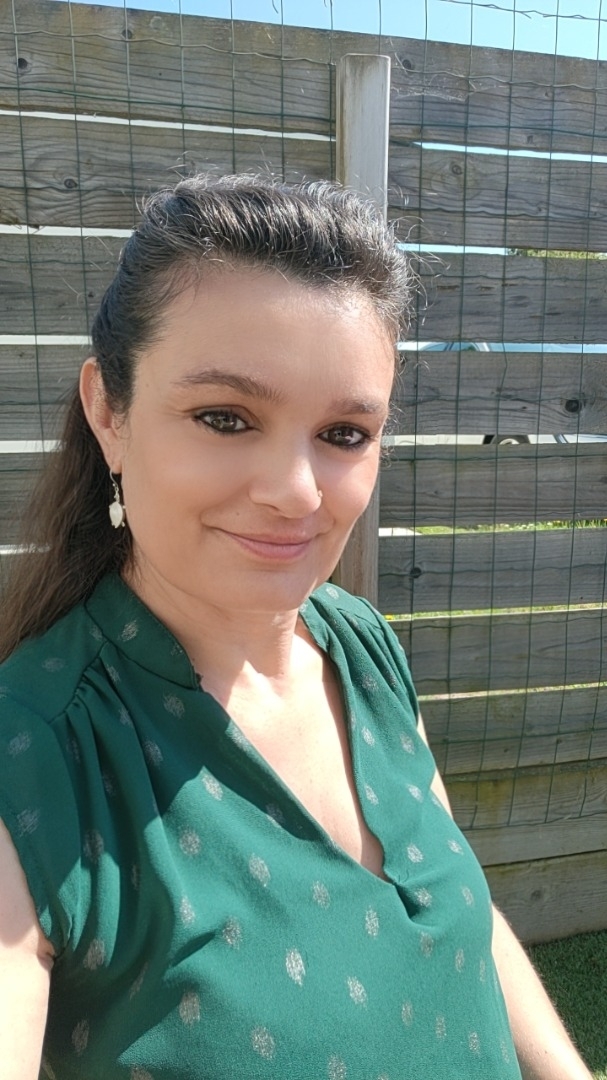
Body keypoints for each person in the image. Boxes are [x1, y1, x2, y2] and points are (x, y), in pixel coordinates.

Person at [0, 175, 592, 1080]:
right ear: (108, 413)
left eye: (344, 433)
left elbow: (458, 923)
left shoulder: (360, 646)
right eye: (225, 418)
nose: (296, 491)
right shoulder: (34, 758)